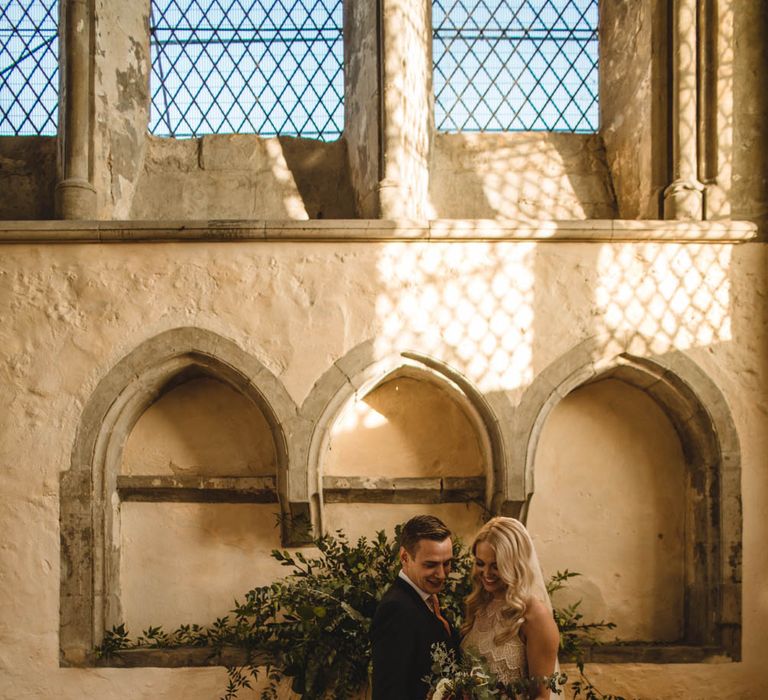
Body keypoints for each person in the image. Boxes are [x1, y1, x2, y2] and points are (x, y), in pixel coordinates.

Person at [461, 517, 560, 700]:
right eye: (481, 563)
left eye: (496, 566)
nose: (486, 574)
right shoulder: (480, 604)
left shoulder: (535, 616)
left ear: (514, 564)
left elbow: (541, 696)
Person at [371, 514, 458, 700]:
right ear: (405, 557)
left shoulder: (426, 597)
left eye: (447, 563)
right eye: (431, 565)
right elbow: (389, 693)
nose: (442, 574)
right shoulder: (396, 610)